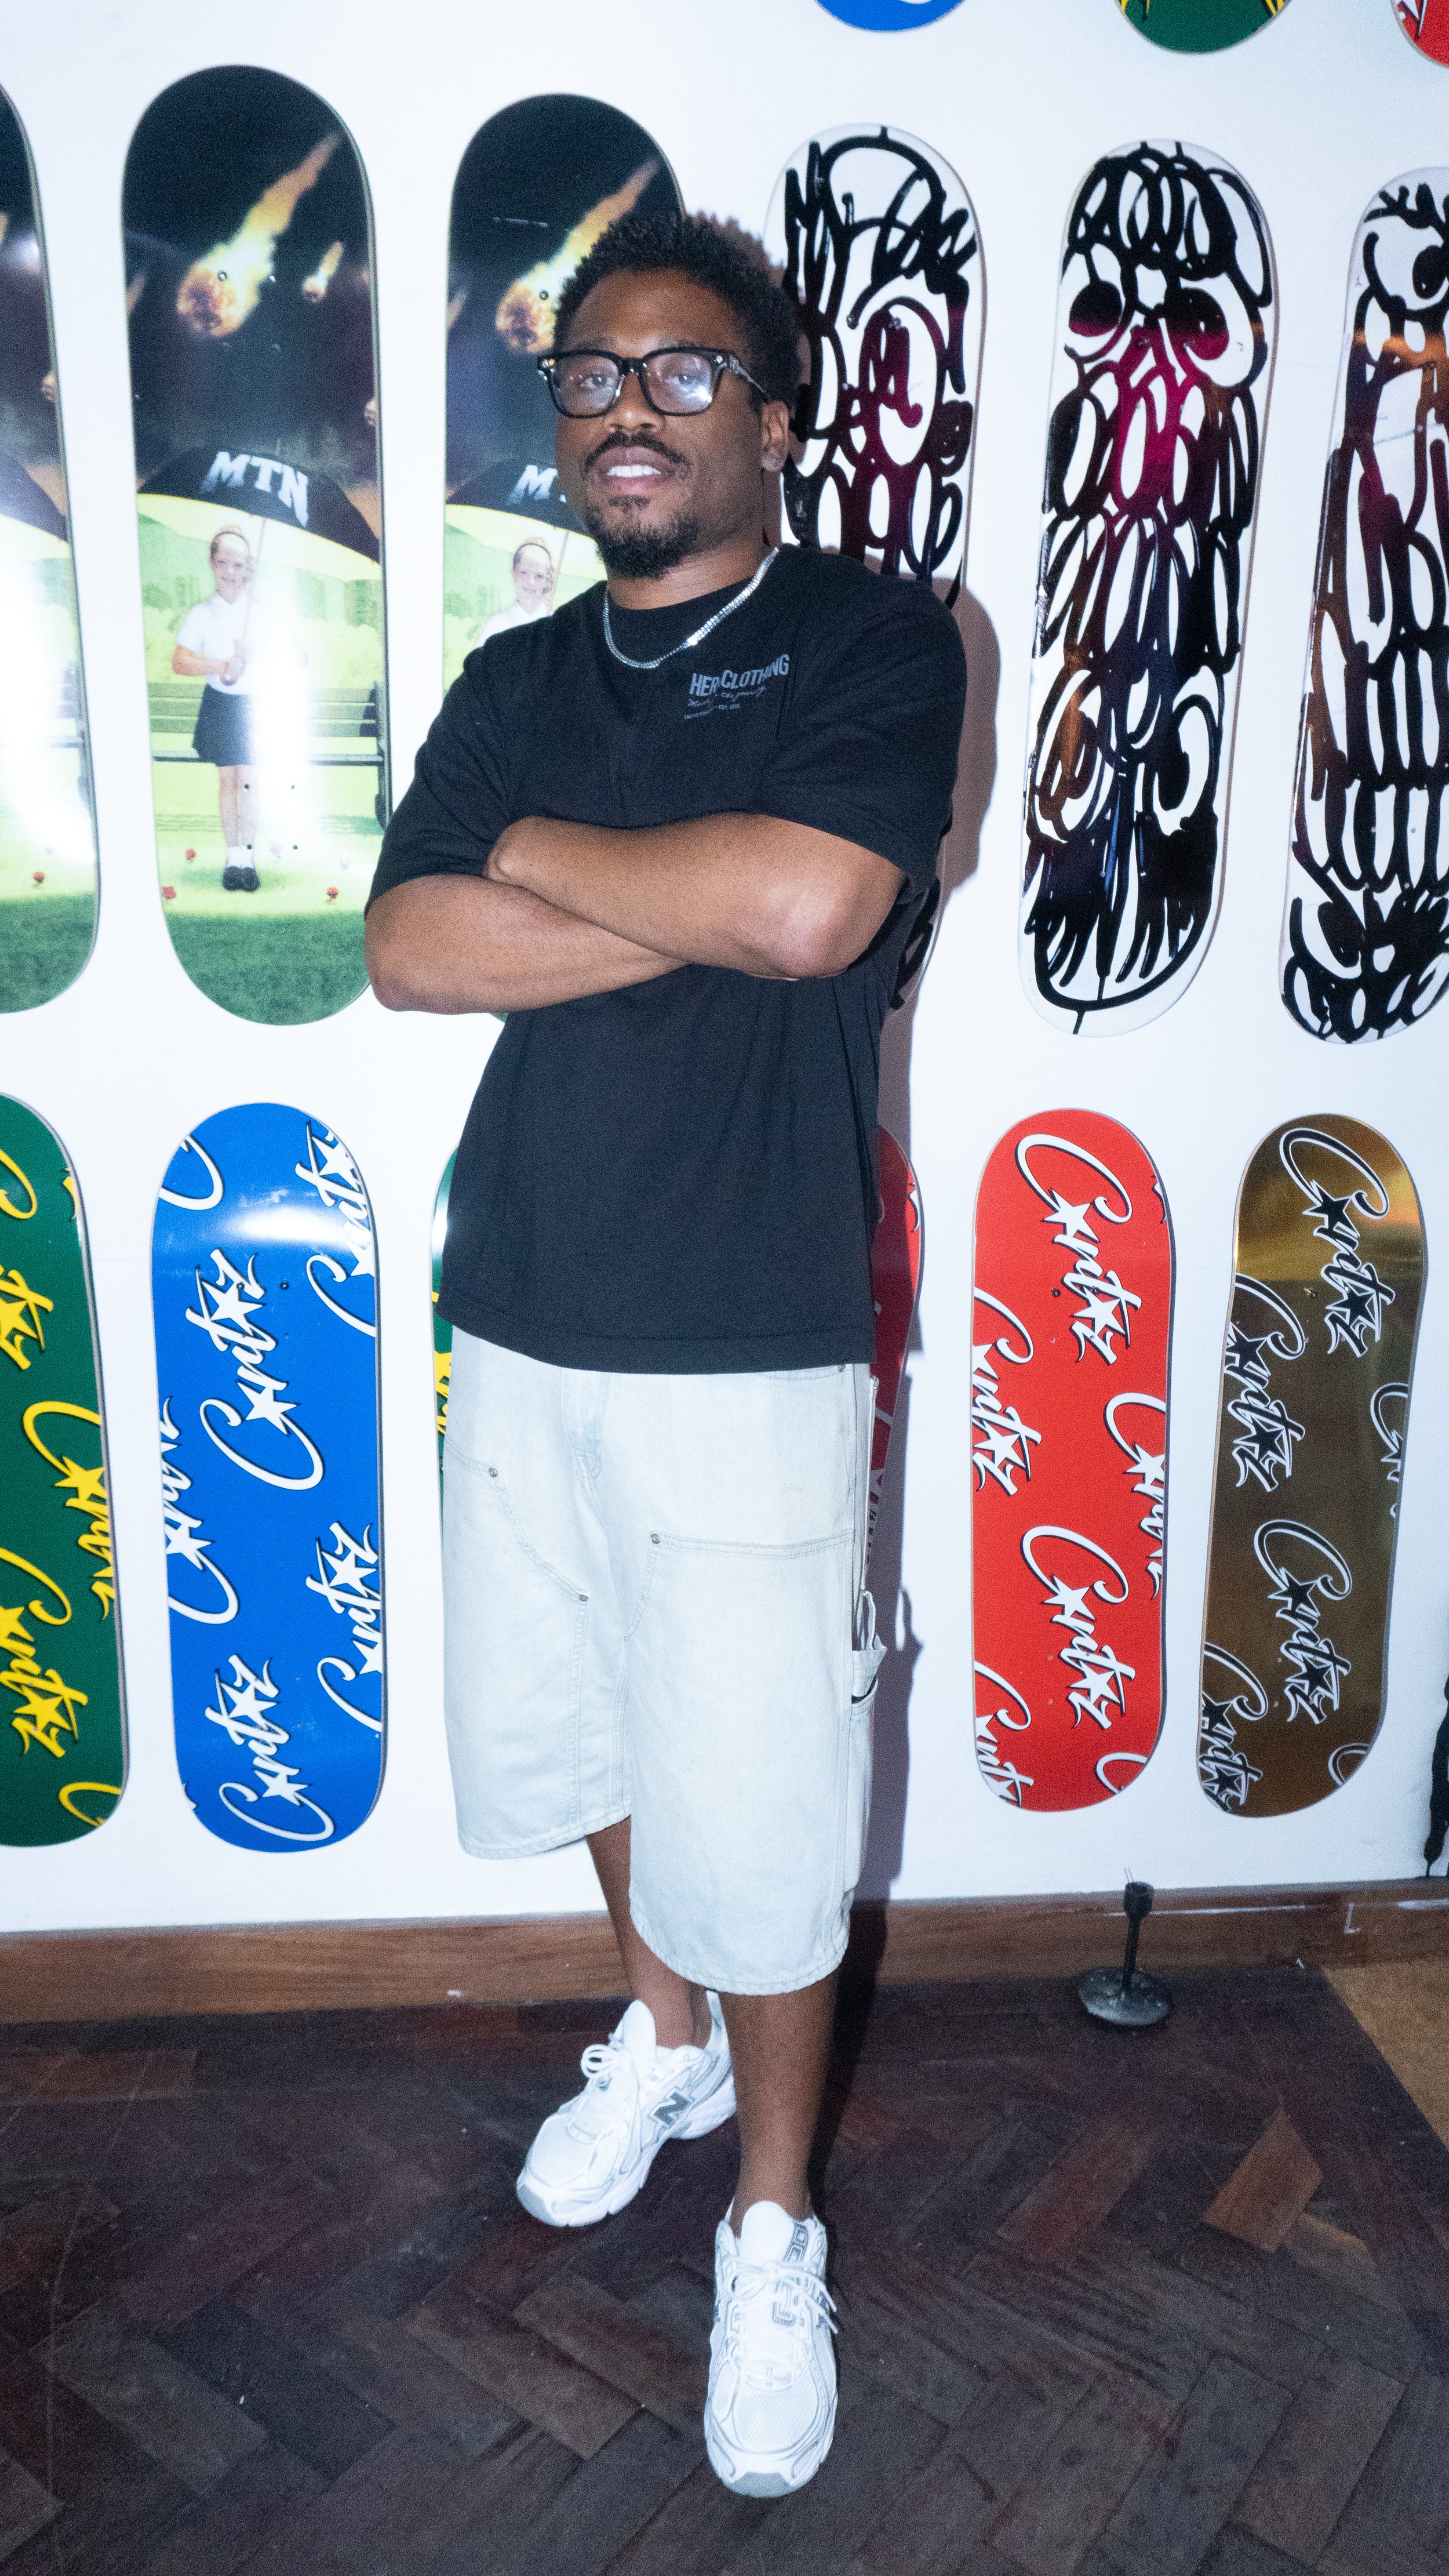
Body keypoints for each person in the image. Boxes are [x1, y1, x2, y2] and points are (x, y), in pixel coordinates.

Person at [366, 212, 966, 2499]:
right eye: (595, 373)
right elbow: (412, 952)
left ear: (774, 416)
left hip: (749, 1332)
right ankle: (665, 2032)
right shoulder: (521, 669)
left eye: (686, 371)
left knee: (770, 1803)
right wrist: (686, 889)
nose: (632, 407)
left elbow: (812, 909)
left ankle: (773, 2221)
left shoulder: (870, 635)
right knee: (597, 1724)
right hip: (523, 1301)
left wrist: (548, 858)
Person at [171, 526, 271, 892]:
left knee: (249, 780)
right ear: (212, 564)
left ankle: (249, 858)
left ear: (249, 571)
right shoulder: (201, 613)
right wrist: (221, 665)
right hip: (221, 703)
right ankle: (233, 859)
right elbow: (180, 661)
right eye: (224, 563)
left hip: (254, 706)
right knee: (228, 781)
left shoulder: (261, 614)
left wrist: (254, 654)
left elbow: (294, 659)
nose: (231, 571)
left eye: (239, 565)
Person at [472, 535, 558, 647]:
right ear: (514, 573)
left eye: (539, 576)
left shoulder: (556, 625)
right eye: (524, 573)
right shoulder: (496, 625)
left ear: (547, 580)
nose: (531, 582)